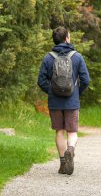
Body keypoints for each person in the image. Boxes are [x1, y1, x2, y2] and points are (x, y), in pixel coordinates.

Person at [37, 27, 90, 175]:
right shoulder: (77, 57)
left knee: (59, 131)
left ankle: (62, 163)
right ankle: (71, 150)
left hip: (55, 102)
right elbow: (85, 80)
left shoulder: (48, 58)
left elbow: (41, 81)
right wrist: (76, 93)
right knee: (72, 131)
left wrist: (52, 91)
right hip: (72, 102)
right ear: (67, 38)